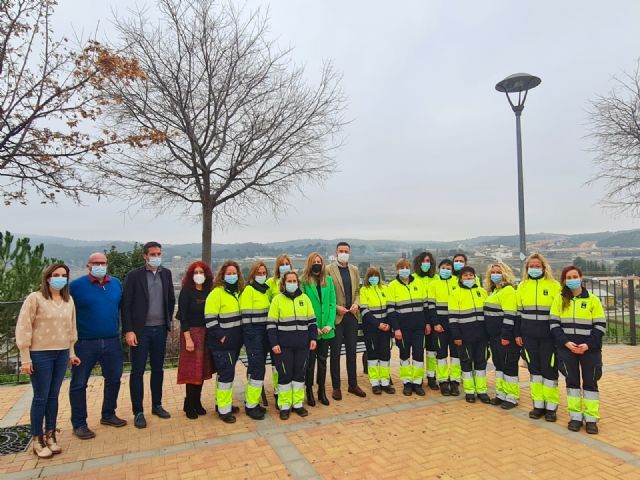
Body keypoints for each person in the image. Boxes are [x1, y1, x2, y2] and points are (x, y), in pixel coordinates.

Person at [15, 263, 80, 458]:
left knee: (53, 396)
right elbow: (24, 327)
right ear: (47, 277)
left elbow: (71, 329)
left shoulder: (69, 301)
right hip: (40, 353)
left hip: (61, 353)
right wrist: (25, 358)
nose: (60, 278)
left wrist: (71, 353)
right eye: (56, 274)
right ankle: (37, 438)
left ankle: (51, 435)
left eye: (64, 275)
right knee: (41, 397)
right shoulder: (35, 298)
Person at [69, 253, 126, 441]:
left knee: (114, 379)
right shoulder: (76, 286)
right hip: (84, 342)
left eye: (102, 263)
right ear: (88, 265)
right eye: (96, 263)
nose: (99, 266)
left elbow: (121, 308)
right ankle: (79, 423)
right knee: (79, 383)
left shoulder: (116, 284)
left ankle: (108, 414)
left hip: (111, 340)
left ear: (107, 264)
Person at [122, 241, 176, 429]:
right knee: (137, 371)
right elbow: (126, 305)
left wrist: (168, 322)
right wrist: (129, 330)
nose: (156, 257)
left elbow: (170, 299)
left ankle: (157, 405)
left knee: (158, 370)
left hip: (160, 329)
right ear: (145, 255)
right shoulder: (134, 276)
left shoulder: (166, 274)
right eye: (152, 254)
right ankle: (138, 411)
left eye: (159, 253)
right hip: (140, 332)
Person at [550, 266, 606, 434]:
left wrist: (587, 345)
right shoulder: (559, 300)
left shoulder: (593, 300)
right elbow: (554, 325)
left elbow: (600, 326)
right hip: (567, 349)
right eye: (569, 277)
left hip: (590, 349)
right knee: (572, 383)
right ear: (564, 280)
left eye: (575, 276)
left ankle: (591, 419)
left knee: (590, 383)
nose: (572, 279)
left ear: (581, 278)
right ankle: (575, 417)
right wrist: (566, 343)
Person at [516, 253, 562, 422]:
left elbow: (559, 313)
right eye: (531, 266)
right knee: (534, 371)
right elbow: (517, 313)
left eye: (537, 266)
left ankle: (551, 408)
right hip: (528, 336)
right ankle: (538, 405)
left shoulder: (554, 285)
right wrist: (517, 334)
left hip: (549, 337)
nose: (534, 269)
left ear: (544, 267)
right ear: (527, 268)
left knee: (549, 370)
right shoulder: (522, 286)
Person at [267, 271, 318, 419]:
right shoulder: (277, 300)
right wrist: (274, 343)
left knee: (299, 375)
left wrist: (313, 338)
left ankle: (297, 404)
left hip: (302, 345)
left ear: (298, 282)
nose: (292, 283)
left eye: (294, 280)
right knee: (284, 376)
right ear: (284, 283)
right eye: (289, 281)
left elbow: (312, 322)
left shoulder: (305, 299)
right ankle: (284, 405)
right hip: (283, 347)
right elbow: (271, 325)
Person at [205, 261, 245, 423]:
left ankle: (221, 403)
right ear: (222, 275)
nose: (231, 276)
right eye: (228, 273)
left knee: (225, 374)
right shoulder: (216, 293)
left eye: (234, 273)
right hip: (222, 344)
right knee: (226, 375)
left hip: (235, 343)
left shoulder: (238, 293)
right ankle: (224, 410)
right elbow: (210, 319)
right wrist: (221, 336)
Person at [176, 261, 215, 419]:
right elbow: (182, 317)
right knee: (191, 371)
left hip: (206, 334)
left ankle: (197, 402)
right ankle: (189, 404)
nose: (199, 275)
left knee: (201, 371)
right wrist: (188, 339)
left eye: (202, 272)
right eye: (196, 272)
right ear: (191, 275)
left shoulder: (209, 291)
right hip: (191, 334)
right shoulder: (186, 292)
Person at [327, 242, 366, 399]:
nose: (344, 253)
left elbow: (357, 290)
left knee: (352, 352)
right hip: (337, 317)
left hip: (352, 316)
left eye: (346, 251)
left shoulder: (354, 270)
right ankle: (336, 387)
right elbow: (327, 294)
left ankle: (353, 384)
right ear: (336, 252)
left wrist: (356, 303)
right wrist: (337, 308)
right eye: (341, 251)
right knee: (335, 353)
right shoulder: (328, 270)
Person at [387, 258, 431, 396]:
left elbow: (426, 306)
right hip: (403, 329)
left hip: (419, 328)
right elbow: (391, 310)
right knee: (404, 356)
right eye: (401, 267)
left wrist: (428, 323)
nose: (404, 270)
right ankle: (407, 383)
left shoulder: (418, 283)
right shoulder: (392, 286)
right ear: (397, 270)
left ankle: (417, 383)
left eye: (407, 267)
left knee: (418, 355)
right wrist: (396, 329)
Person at [448, 266, 490, 404]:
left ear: (475, 277)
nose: (468, 278)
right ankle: (469, 391)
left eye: (470, 275)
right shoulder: (455, 294)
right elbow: (453, 318)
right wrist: (457, 337)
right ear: (460, 278)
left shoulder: (482, 292)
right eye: (465, 276)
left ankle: (481, 390)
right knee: (466, 363)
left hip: (482, 337)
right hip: (465, 337)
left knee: (481, 363)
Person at [301, 252, 336, 406]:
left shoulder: (328, 280)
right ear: (310, 263)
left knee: (322, 362)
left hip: (327, 330)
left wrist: (329, 323)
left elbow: (332, 304)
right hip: (311, 330)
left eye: (319, 261)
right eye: (314, 261)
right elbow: (303, 307)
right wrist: (313, 327)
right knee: (310, 363)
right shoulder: (304, 282)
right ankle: (308, 391)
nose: (317, 264)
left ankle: (321, 391)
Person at [484, 262, 521, 409]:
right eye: (492, 272)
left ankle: (512, 397)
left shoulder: (508, 291)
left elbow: (510, 315)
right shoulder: (494, 291)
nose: (495, 275)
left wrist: (505, 335)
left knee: (509, 365)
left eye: (498, 272)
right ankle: (501, 394)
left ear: (505, 273)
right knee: (499, 365)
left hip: (504, 337)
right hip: (493, 336)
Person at [239, 261, 272, 420]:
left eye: (264, 272)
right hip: (254, 336)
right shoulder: (249, 291)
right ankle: (251, 405)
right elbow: (245, 318)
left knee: (257, 370)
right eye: (258, 273)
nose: (262, 275)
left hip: (264, 335)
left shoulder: (264, 291)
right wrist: (252, 339)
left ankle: (253, 401)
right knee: (257, 369)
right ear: (253, 275)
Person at [428, 259, 461, 396]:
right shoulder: (433, 284)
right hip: (439, 326)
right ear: (439, 269)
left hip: (455, 325)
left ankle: (454, 381)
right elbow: (431, 306)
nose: (446, 270)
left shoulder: (457, 282)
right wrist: (435, 323)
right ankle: (443, 382)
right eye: (443, 268)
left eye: (448, 268)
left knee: (455, 355)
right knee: (441, 355)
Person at [359, 267, 395, 394]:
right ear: (367, 278)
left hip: (385, 328)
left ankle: (385, 382)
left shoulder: (385, 289)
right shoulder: (364, 290)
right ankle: (375, 383)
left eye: (376, 275)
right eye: (371, 276)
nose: (374, 278)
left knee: (385, 355)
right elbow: (364, 311)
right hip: (372, 329)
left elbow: (391, 308)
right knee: (373, 356)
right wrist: (378, 324)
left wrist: (388, 324)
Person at [412, 252, 439, 391]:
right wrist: (425, 322)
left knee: (432, 351)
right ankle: (417, 379)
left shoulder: (437, 278)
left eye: (428, 261)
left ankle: (431, 377)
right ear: (418, 263)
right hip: (419, 321)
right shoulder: (413, 279)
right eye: (423, 261)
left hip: (434, 319)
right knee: (417, 352)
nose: (426, 263)